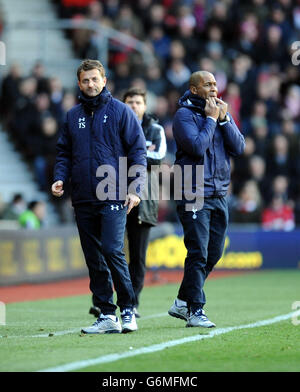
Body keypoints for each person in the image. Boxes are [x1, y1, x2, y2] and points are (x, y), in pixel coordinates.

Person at [52, 59, 147, 334]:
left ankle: (128, 309)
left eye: (95, 79)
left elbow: (138, 152)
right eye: (85, 80)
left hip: (114, 193)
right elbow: (64, 153)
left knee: (111, 249)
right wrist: (60, 177)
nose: (90, 84)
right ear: (79, 84)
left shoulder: (120, 111)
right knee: (93, 256)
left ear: (104, 81)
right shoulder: (72, 116)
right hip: (82, 196)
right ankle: (107, 313)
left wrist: (134, 188)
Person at [168, 71, 245, 328]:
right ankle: (195, 310)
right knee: (198, 251)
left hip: (219, 192)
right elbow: (197, 147)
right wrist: (212, 120)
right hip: (192, 191)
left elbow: (239, 147)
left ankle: (182, 301)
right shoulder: (183, 116)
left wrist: (224, 121)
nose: (214, 88)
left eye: (215, 84)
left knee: (213, 253)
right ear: (193, 89)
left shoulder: (220, 113)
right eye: (207, 85)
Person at [89, 87, 167, 319]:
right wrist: (139, 152)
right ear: (123, 105)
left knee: (137, 256)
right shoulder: (112, 125)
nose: (133, 106)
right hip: (113, 194)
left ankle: (132, 304)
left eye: (138, 102)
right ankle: (104, 302)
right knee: (107, 250)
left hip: (143, 200)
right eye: (130, 102)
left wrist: (131, 153)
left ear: (145, 106)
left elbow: (158, 158)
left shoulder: (156, 129)